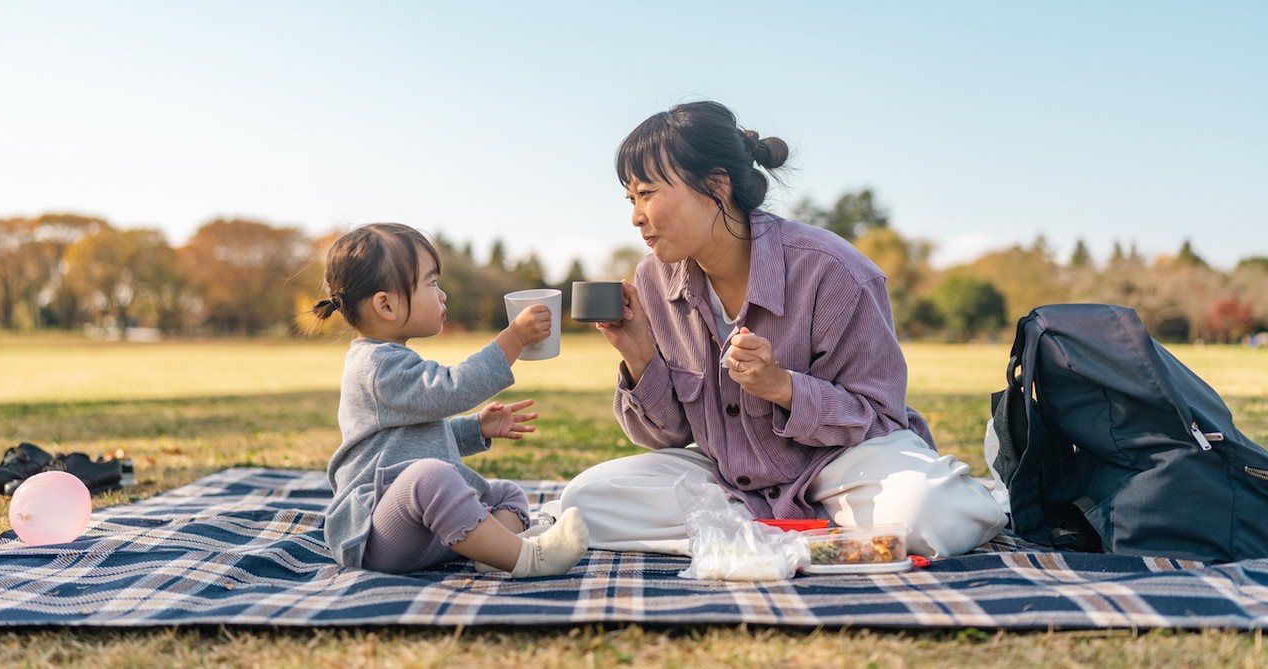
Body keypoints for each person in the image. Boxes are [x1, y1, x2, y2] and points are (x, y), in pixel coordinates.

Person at [555, 101, 1006, 558]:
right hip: (730, 478)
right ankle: (818, 540)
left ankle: (750, 537)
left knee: (929, 512)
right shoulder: (655, 280)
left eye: (647, 193)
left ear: (716, 185)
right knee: (584, 503)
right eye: (631, 199)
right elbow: (665, 437)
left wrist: (783, 388)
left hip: (842, 467)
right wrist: (639, 356)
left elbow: (878, 416)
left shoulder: (833, 271)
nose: (636, 216)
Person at [312, 222, 588, 577]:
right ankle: (530, 558)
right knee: (431, 477)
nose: (442, 295)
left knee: (505, 493)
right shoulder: (376, 366)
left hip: (423, 531)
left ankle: (494, 553)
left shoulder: (391, 359)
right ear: (386, 305)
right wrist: (514, 338)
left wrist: (476, 429)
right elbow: (451, 388)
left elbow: (409, 441)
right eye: (431, 283)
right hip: (377, 534)